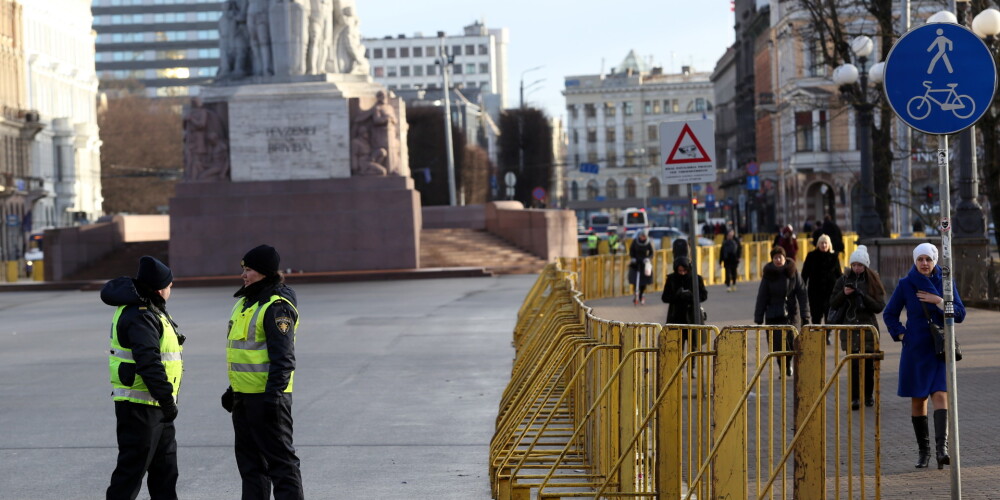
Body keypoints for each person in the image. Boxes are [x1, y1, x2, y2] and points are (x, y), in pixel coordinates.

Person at [220, 245, 304, 499]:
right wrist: (233, 390)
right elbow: (244, 354)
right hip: (244, 398)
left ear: (265, 273)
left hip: (268, 399)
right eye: (243, 269)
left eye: (249, 270)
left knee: (281, 465)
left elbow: (284, 358)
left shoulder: (276, 307)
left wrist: (273, 396)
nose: (244, 275)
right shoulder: (245, 303)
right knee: (251, 466)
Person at [102, 256, 183, 500]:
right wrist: (167, 400)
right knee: (130, 476)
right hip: (141, 408)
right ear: (160, 288)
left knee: (165, 475)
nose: (171, 289)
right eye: (170, 285)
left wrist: (165, 403)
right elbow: (149, 363)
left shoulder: (150, 311)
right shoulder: (141, 315)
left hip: (155, 405)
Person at [883, 243, 966, 470]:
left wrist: (939, 302)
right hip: (916, 350)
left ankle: (942, 450)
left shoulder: (945, 282)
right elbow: (889, 313)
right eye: (920, 259)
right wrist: (901, 335)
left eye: (928, 259)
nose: (924, 263)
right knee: (919, 399)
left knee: (940, 394)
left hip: (940, 349)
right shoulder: (905, 284)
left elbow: (960, 314)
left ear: (935, 260)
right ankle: (924, 452)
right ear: (915, 261)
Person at [828, 245, 886, 410]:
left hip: (868, 328)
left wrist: (862, 295)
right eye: (854, 265)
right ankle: (854, 398)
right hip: (850, 328)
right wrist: (844, 294)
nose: (857, 268)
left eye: (860, 265)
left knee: (868, 365)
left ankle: (868, 395)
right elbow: (832, 302)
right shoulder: (843, 280)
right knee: (853, 364)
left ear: (865, 265)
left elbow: (879, 306)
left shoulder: (873, 280)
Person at [753, 246, 810, 376]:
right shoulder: (768, 274)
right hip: (773, 314)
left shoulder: (793, 272)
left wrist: (805, 314)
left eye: (780, 257)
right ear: (772, 259)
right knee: (777, 344)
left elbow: (802, 293)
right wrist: (758, 317)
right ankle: (782, 367)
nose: (778, 260)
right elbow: (762, 296)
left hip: (790, 313)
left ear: (785, 258)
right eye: (775, 258)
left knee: (791, 341)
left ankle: (788, 363)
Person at [801, 234, 843, 345]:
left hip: (830, 292)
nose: (824, 245)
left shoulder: (834, 257)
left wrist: (842, 289)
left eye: (826, 243)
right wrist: (801, 288)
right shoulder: (811, 256)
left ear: (829, 245)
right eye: (821, 243)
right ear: (818, 244)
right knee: (816, 315)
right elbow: (804, 274)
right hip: (815, 292)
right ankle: (817, 334)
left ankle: (827, 335)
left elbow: (839, 275)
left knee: (829, 316)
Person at [661, 256, 708, 348]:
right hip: (676, 317)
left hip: (693, 317)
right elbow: (665, 298)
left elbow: (704, 296)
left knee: (694, 345)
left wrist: (692, 296)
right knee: (676, 346)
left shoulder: (696, 279)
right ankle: (680, 363)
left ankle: (693, 362)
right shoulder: (671, 279)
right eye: (680, 271)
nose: (682, 273)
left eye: (684, 271)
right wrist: (677, 295)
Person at [628, 231, 654, 305]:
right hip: (635, 263)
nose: (643, 238)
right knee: (634, 280)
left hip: (644, 263)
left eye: (644, 237)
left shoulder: (648, 242)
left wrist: (648, 258)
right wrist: (632, 258)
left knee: (643, 281)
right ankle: (635, 294)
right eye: (642, 236)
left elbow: (651, 252)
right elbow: (631, 250)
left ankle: (641, 294)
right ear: (639, 236)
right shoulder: (635, 242)